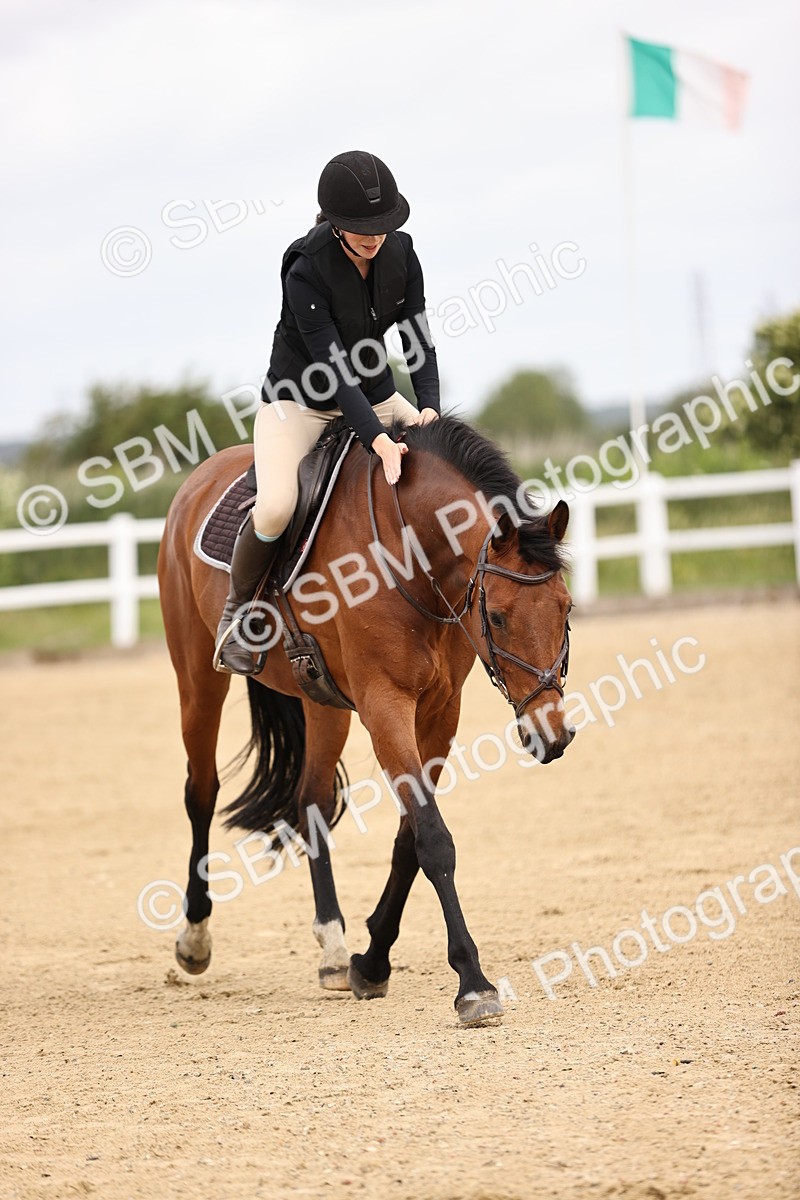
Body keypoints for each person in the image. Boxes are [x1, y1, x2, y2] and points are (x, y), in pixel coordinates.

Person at [213, 150, 441, 674]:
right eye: (363, 228)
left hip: (378, 394)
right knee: (274, 506)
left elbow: (418, 340)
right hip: (299, 404)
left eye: (383, 225)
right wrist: (377, 440)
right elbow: (334, 369)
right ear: (335, 223)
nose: (375, 236)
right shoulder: (305, 268)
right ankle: (241, 612)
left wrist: (428, 408)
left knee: (444, 462)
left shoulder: (403, 255)